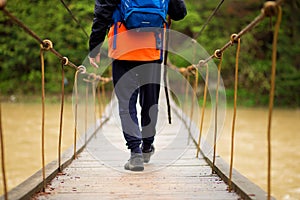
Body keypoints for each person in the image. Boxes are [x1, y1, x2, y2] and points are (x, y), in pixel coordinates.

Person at [89, 0, 187, 171]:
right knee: (150, 101)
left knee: (126, 104)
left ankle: (135, 155)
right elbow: (180, 13)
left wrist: (94, 48)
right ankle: (147, 146)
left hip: (122, 51)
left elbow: (102, 14)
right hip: (152, 50)